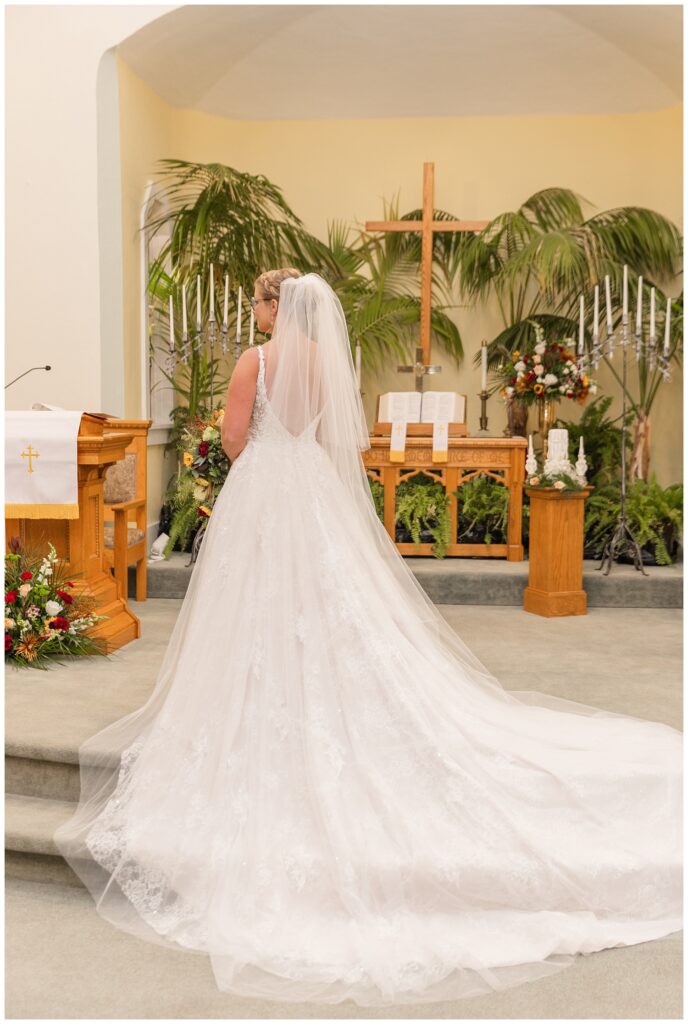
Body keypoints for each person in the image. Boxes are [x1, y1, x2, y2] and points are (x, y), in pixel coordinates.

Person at [53, 269, 682, 1008]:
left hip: (263, 494)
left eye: (256, 304)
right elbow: (331, 435)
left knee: (254, 612)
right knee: (325, 608)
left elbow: (230, 434)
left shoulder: (257, 360)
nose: (253, 316)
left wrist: (246, 451)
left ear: (269, 305)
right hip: (313, 494)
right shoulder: (324, 360)